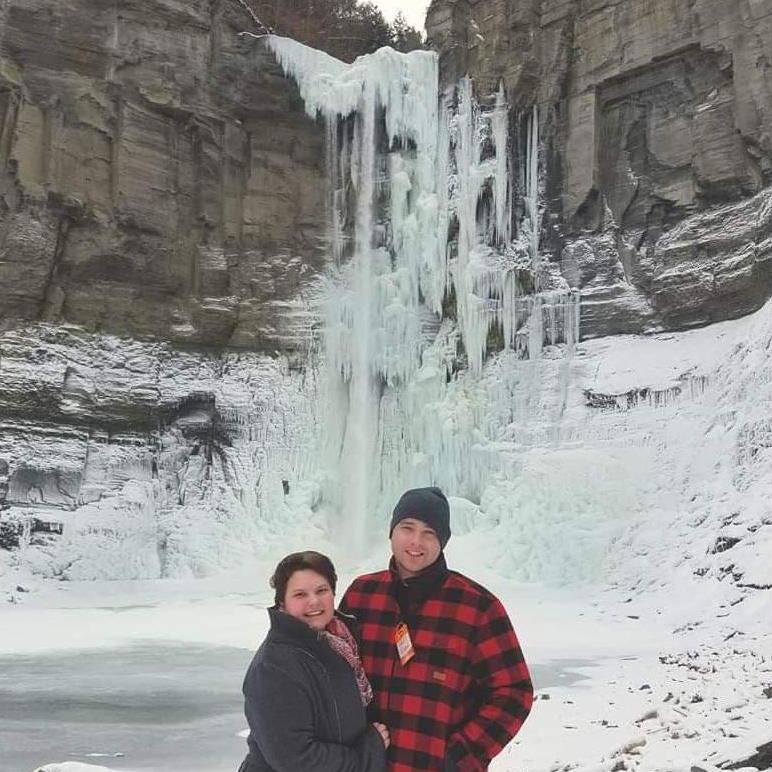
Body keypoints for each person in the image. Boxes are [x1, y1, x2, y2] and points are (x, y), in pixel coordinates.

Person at [340, 487, 534, 771]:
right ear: (392, 531)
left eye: (429, 533)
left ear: (442, 542)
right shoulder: (362, 595)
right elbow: (332, 675)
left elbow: (514, 692)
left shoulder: (478, 607)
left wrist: (459, 756)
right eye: (407, 528)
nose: (416, 541)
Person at [238, 550, 389, 772]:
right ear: (282, 602)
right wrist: (366, 754)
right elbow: (295, 759)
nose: (314, 601)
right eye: (300, 594)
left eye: (322, 590)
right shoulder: (274, 667)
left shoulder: (341, 645)